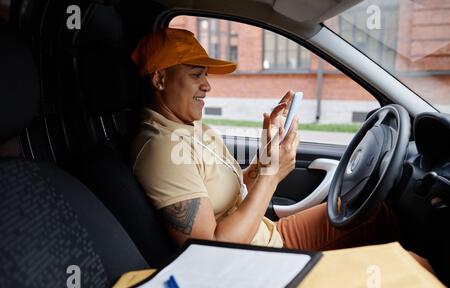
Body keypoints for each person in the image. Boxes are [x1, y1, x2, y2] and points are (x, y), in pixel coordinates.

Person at [129, 28, 432, 269]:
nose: (208, 85)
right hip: (257, 264)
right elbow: (210, 251)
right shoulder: (161, 149)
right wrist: (272, 177)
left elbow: (234, 188)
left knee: (377, 216)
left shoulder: (193, 128)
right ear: (159, 79)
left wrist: (265, 157)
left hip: (269, 237)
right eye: (197, 75)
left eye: (206, 75)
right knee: (418, 269)